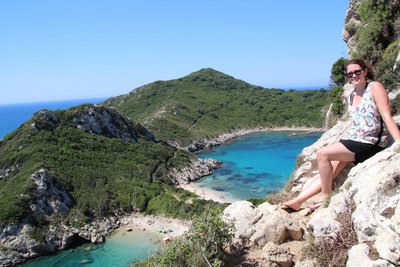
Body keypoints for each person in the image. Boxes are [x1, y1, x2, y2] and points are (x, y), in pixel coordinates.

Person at [279, 58, 400, 212]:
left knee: (322, 154)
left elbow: (387, 116)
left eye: (357, 72)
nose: (354, 76)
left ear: (365, 71)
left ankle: (325, 195)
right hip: (352, 140)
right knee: (327, 174)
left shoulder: (374, 87)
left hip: (370, 143)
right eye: (350, 74)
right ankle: (298, 201)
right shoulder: (350, 95)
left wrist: (398, 145)